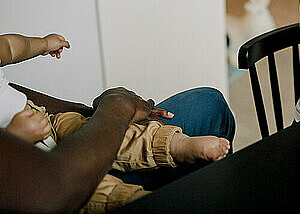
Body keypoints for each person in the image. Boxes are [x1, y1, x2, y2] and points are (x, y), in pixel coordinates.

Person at [0, 33, 235, 213]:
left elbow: (10, 47)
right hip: (38, 181)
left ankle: (176, 144)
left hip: (49, 124)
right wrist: (15, 136)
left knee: (207, 103)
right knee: (102, 194)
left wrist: (43, 43)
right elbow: (54, 191)